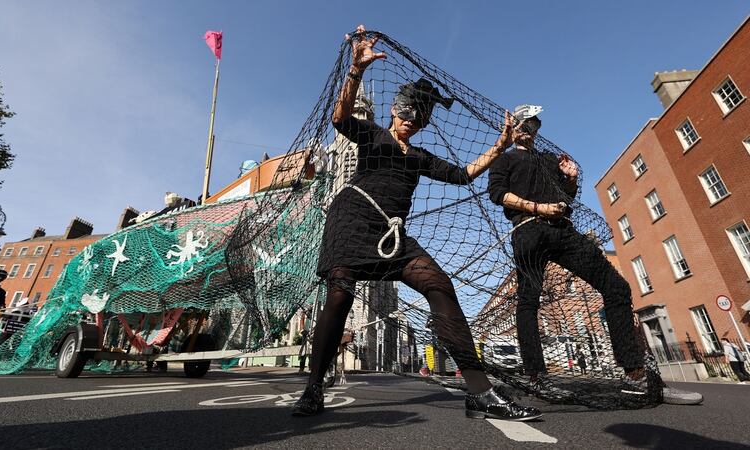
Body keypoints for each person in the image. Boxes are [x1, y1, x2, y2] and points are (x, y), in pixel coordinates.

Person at [292, 25, 541, 421]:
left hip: (392, 234)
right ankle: (313, 387)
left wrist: (499, 146)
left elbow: (463, 174)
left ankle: (478, 393)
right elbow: (340, 118)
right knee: (339, 294)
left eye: (419, 115)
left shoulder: (421, 156)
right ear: (394, 109)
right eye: (406, 110)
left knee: (439, 284)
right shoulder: (372, 135)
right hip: (351, 220)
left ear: (424, 122)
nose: (411, 118)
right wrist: (356, 71)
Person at [486, 105, 703, 405]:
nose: (529, 130)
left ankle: (635, 376)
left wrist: (570, 179)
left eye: (534, 125)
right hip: (528, 232)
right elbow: (498, 194)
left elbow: (565, 199)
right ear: (513, 128)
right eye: (524, 125)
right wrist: (537, 208)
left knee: (616, 286)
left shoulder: (549, 160)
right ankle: (537, 377)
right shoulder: (506, 160)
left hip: (563, 230)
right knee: (528, 301)